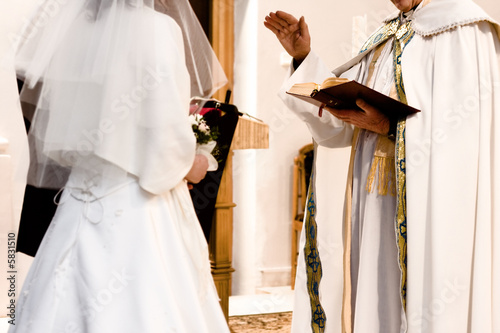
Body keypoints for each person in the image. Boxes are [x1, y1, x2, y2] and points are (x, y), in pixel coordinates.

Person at [265, 0, 499, 332]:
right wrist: (303, 57)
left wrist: (390, 127)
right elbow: (339, 126)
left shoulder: (464, 28)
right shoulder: (387, 36)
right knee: (372, 291)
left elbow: (468, 133)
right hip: (370, 201)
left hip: (431, 204)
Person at [10, 0, 230, 332]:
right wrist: (190, 163)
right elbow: (164, 130)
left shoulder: (75, 31)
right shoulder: (157, 29)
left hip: (79, 196)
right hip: (136, 202)